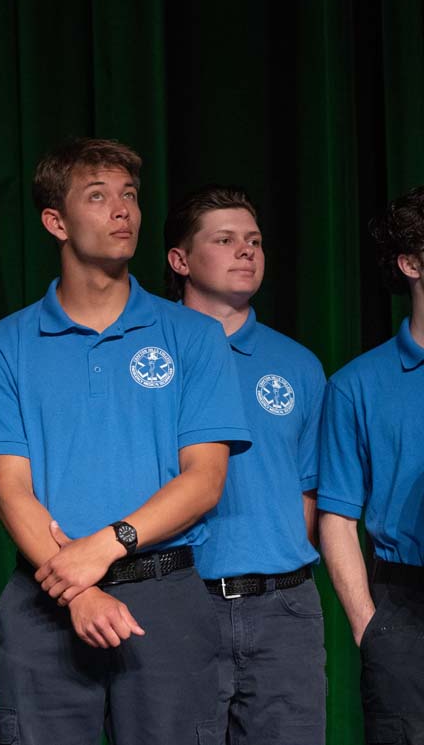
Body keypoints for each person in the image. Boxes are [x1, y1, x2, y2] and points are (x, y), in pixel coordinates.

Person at [0, 138, 251, 744]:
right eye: (97, 197)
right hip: (46, 602)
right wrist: (80, 590)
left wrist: (108, 545)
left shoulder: (195, 337)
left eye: (129, 196)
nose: (122, 211)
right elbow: (7, 488)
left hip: (166, 599)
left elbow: (204, 478)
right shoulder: (2, 347)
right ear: (56, 221)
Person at [166, 185, 326, 743]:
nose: (246, 252)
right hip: (180, 601)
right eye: (226, 240)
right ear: (180, 260)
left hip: (284, 610)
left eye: (254, 241)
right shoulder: (153, 356)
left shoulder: (299, 365)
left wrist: (273, 567)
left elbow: (308, 488)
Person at [319, 185, 424, 745]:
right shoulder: (356, 385)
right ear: (411, 263)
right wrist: (371, 627)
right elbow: (336, 517)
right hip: (404, 610)